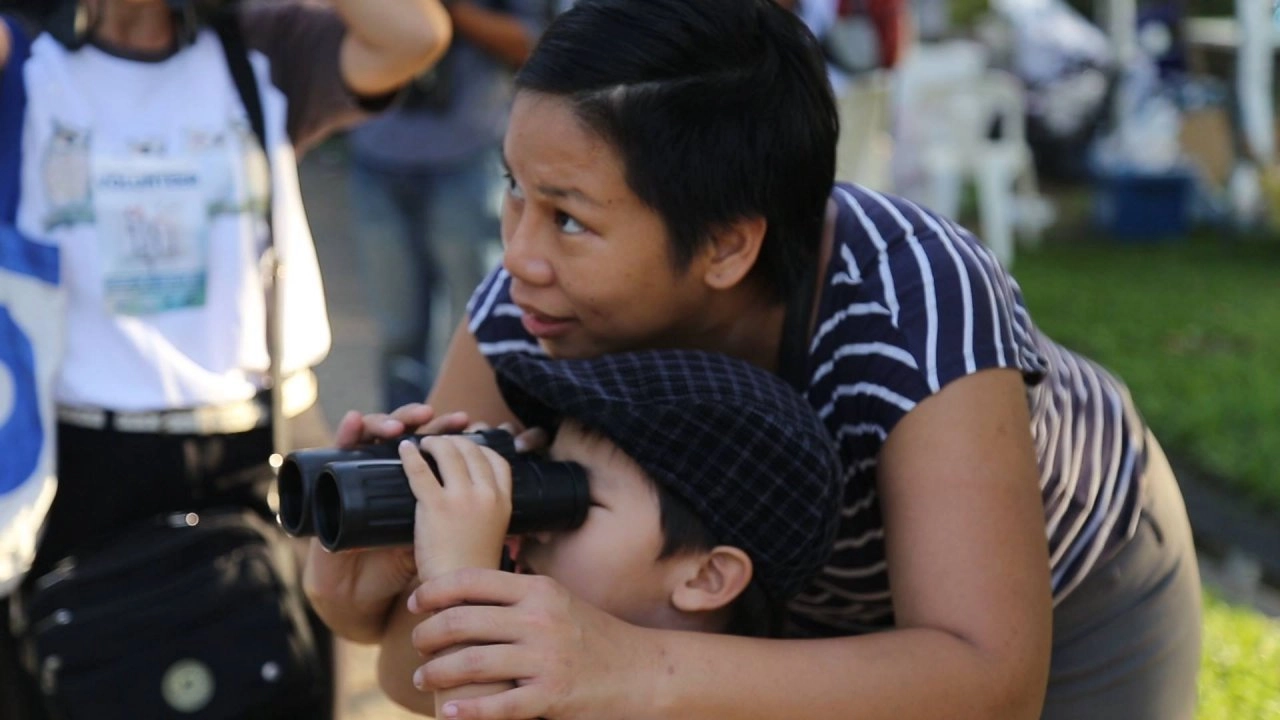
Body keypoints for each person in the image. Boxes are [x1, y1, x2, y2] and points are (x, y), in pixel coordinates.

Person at [305, 1, 1203, 719]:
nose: (521, 257)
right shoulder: (533, 308)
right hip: (740, 604)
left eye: (570, 216)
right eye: (514, 191)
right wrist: (363, 598)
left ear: (728, 245)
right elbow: (419, 671)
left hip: (1065, 588)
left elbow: (986, 680)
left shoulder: (910, 300)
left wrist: (632, 667)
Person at [0, 0, 449, 717]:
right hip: (82, 461)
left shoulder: (259, 44)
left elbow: (415, 34)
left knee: (278, 681)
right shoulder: (24, 56)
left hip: (261, 448)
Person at [397, 348, 843, 716]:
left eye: (577, 498)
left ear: (706, 578)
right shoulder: (564, 673)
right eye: (547, 474)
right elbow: (399, 679)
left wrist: (461, 577)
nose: (540, 530)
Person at [347, 0, 548, 410]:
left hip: (468, 158)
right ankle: (398, 452)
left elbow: (534, 43)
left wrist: (449, 12)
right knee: (398, 333)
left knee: (483, 323)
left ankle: (479, 437)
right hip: (377, 157)